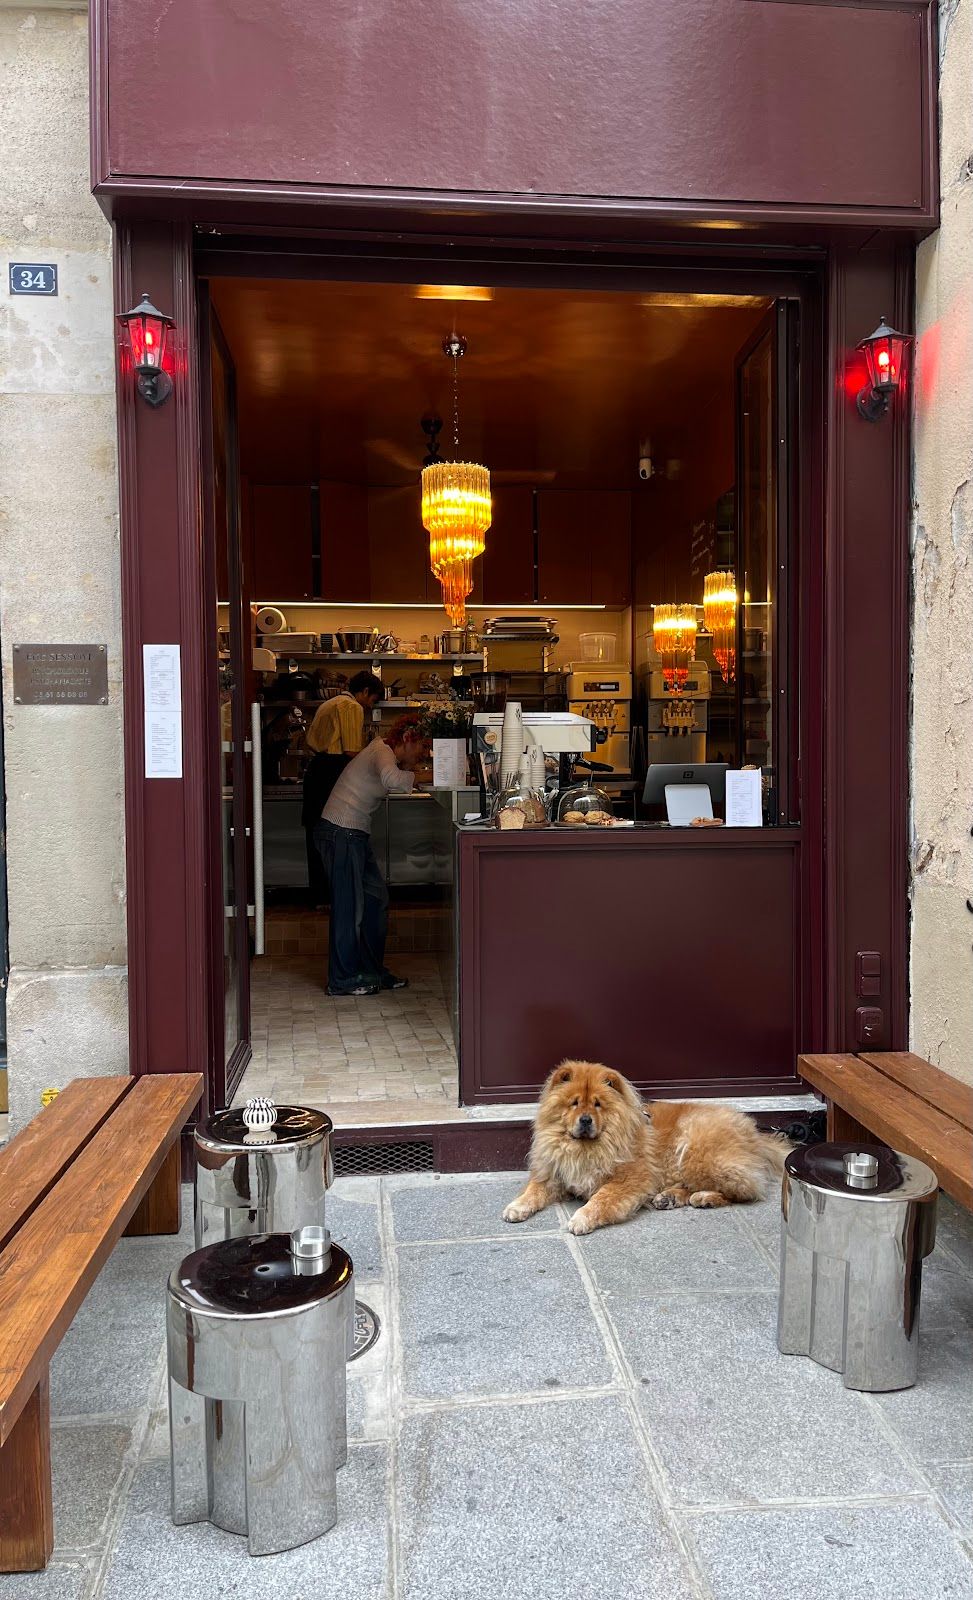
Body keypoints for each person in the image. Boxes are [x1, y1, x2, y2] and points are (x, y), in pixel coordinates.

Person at [315, 714, 431, 996]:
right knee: (348, 908)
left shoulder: (384, 753)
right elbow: (391, 779)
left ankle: (370, 971)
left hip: (353, 833)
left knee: (376, 900)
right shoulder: (382, 751)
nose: (424, 753)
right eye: (423, 746)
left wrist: (417, 774)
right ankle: (341, 980)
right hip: (340, 831)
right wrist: (423, 776)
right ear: (407, 739)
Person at [301, 671, 384, 905]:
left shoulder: (331, 702)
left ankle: (320, 896)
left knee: (317, 833)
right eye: (373, 699)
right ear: (365, 691)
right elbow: (351, 751)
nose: (371, 705)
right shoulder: (351, 707)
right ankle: (333, 896)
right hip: (331, 771)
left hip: (318, 770)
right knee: (334, 833)